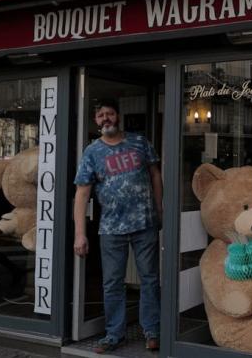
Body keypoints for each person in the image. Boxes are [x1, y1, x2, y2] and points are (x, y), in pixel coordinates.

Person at [73, 100, 163, 354]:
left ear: (118, 116)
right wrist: (80, 234)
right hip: (111, 228)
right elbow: (82, 193)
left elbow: (155, 174)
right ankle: (114, 334)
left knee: (150, 279)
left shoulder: (139, 142)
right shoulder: (92, 152)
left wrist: (159, 208)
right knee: (112, 283)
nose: (106, 119)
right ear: (95, 121)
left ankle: (152, 331)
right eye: (100, 116)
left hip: (144, 223)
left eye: (110, 114)